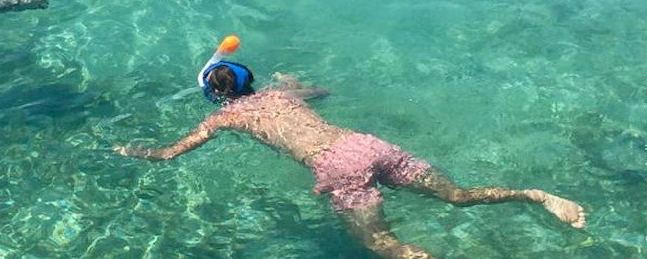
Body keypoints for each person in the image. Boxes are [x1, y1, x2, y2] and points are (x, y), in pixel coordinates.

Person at [114, 61, 586, 259]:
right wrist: (293, 78)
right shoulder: (281, 94)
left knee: (383, 245)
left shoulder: (223, 120)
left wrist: (134, 151)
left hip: (337, 168)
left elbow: (171, 154)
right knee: (458, 196)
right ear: (251, 80)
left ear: (212, 97)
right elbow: (321, 91)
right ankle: (534, 194)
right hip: (367, 144)